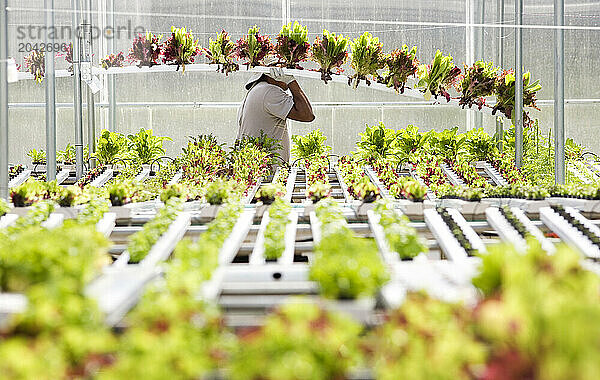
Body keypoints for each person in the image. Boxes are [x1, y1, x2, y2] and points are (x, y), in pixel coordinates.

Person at [237, 68, 315, 163]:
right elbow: (307, 115)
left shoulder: (257, 89)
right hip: (266, 171)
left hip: (256, 166)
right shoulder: (269, 91)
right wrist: (291, 82)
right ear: (271, 74)